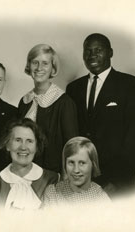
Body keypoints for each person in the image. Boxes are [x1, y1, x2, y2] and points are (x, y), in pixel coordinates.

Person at [66, 33, 135, 197]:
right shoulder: (74, 88)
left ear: (110, 52)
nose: (92, 55)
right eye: (87, 51)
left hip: (118, 184)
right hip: (82, 182)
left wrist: (116, 182)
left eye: (98, 50)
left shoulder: (130, 85)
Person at [18, 44, 78, 174]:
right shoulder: (25, 101)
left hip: (52, 175)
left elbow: (71, 148)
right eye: (35, 62)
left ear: (53, 68)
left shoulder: (64, 102)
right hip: (25, 172)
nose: (39, 68)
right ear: (29, 65)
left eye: (45, 63)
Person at [0, 118, 59, 210]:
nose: (23, 147)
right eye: (18, 140)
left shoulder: (53, 180)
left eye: (29, 141)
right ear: (7, 145)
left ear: (36, 147)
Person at [43, 137, 110, 207]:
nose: (76, 170)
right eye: (71, 162)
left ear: (93, 165)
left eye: (82, 163)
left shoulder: (101, 198)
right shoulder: (53, 193)